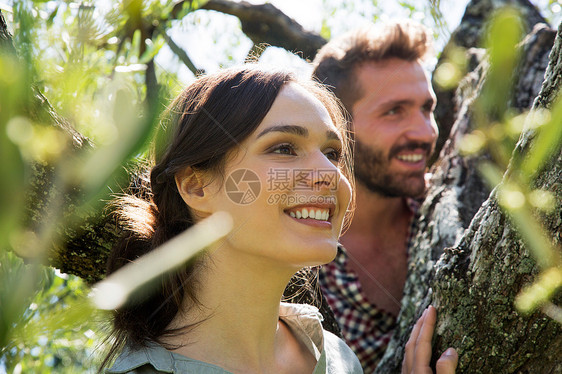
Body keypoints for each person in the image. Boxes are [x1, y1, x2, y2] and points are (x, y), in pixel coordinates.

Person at [100, 65, 456, 373]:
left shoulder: (338, 359)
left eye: (332, 153)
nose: (330, 174)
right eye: (284, 148)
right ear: (196, 187)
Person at [312, 20, 440, 372]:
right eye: (394, 111)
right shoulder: (296, 256)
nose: (426, 132)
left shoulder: (458, 208)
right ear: (337, 130)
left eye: (427, 109)